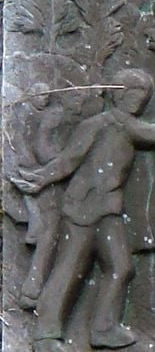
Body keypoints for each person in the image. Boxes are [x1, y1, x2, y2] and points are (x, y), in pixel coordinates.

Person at [11, 69, 155, 352]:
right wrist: (40, 179)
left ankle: (103, 329)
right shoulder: (98, 124)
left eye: (143, 96)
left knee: (120, 267)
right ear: (119, 93)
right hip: (82, 208)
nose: (138, 101)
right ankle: (45, 336)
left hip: (107, 209)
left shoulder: (127, 125)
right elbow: (69, 160)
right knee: (69, 269)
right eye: (134, 94)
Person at [13, 83, 69, 311]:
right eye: (42, 95)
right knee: (51, 230)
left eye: (48, 95)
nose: (45, 99)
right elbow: (37, 147)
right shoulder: (31, 114)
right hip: (40, 174)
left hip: (49, 176)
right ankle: (33, 290)